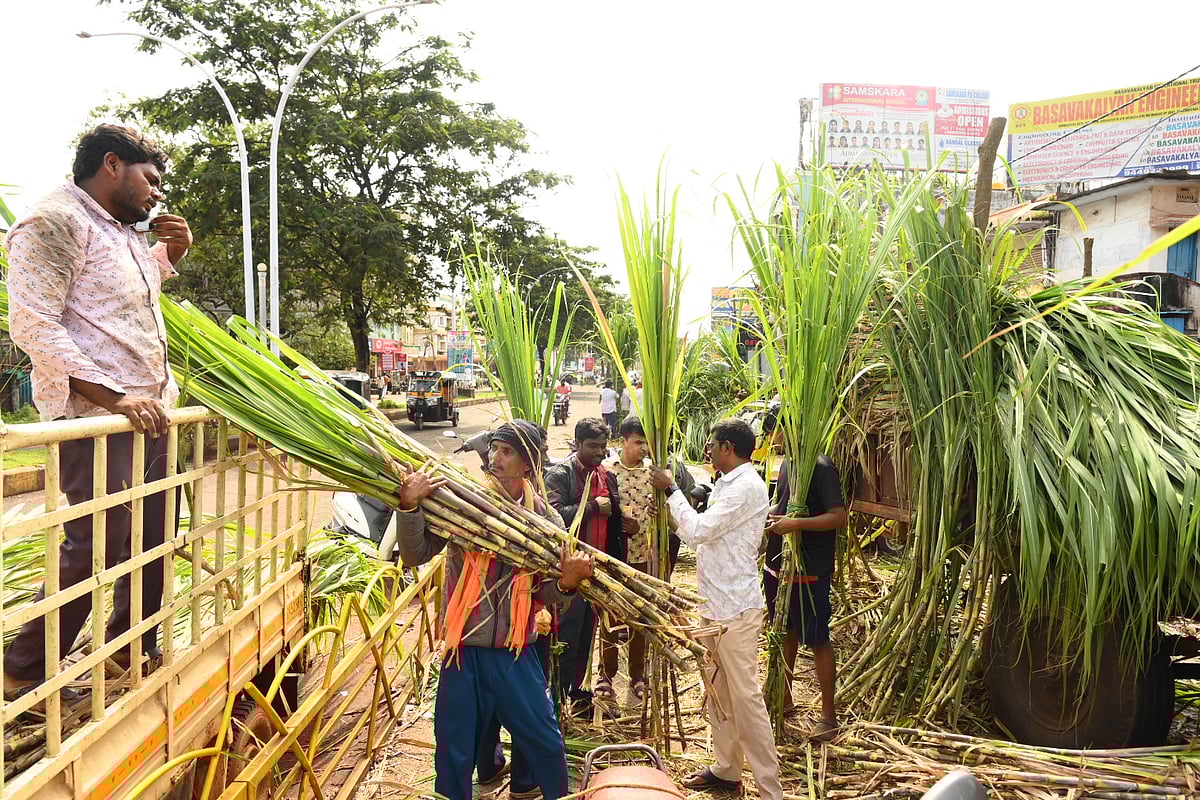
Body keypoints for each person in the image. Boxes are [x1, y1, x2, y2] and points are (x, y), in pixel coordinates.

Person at [3, 124, 193, 704]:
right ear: (113, 164)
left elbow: (115, 302)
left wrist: (172, 254)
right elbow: (35, 323)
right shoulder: (55, 220)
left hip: (147, 414)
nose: (157, 193)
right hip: (101, 417)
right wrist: (114, 397)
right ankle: (24, 667)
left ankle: (131, 648)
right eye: (151, 179)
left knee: (156, 536)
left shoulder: (118, 230)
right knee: (97, 543)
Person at [397, 419, 594, 800]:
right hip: (464, 648)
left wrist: (569, 583)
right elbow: (415, 554)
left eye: (506, 452)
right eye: (494, 449)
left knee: (546, 741)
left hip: (515, 650)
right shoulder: (462, 502)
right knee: (454, 749)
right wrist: (409, 507)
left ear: (529, 465)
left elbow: (544, 593)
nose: (494, 457)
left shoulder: (546, 522)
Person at [649, 419, 782, 800]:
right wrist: (668, 518)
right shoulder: (728, 484)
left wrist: (672, 490)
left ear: (726, 447)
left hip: (736, 610)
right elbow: (703, 537)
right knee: (718, 690)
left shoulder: (746, 487)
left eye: (711, 443)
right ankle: (726, 770)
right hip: (715, 603)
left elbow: (699, 532)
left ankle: (770, 788)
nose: (706, 449)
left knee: (744, 696)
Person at [761, 412, 847, 743]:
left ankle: (828, 716)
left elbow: (838, 516)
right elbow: (785, 505)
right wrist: (773, 518)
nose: (773, 437)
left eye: (775, 429)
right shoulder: (788, 464)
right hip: (780, 565)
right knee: (783, 632)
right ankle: (783, 698)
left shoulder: (821, 466)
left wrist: (794, 525)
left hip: (809, 569)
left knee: (817, 638)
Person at [545, 417, 624, 710]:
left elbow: (614, 518)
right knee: (565, 634)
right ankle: (557, 698)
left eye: (603, 446)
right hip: (569, 573)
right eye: (592, 446)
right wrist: (591, 507)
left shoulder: (606, 475)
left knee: (585, 636)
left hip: (598, 572)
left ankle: (576, 692)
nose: (599, 451)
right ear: (577, 444)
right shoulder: (561, 475)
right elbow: (552, 518)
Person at [597, 416, 657, 703]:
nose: (643, 448)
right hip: (613, 555)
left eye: (646, 443)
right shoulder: (606, 471)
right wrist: (619, 523)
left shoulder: (653, 473)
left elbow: (665, 515)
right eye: (637, 442)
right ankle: (606, 675)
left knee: (640, 618)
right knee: (610, 615)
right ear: (622, 442)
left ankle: (637, 675)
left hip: (643, 556)